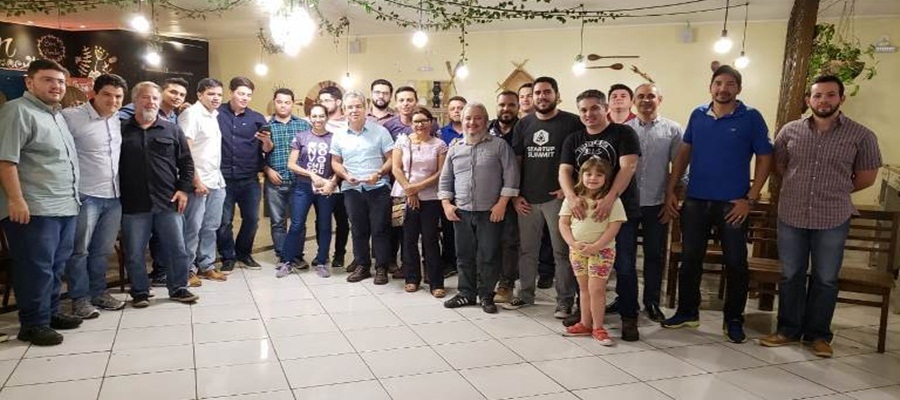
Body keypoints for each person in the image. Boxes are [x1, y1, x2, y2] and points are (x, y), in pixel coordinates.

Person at [760, 75, 881, 358]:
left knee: (825, 278)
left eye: (830, 95)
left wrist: (835, 189)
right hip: (792, 214)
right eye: (817, 95)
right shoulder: (790, 131)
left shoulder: (861, 135)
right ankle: (788, 329)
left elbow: (866, 177)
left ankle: (818, 335)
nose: (823, 100)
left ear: (841, 98)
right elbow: (780, 166)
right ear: (808, 100)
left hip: (833, 217)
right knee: (791, 275)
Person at [662, 65, 773, 344]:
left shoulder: (751, 117)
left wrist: (751, 198)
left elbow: (765, 158)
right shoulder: (698, 114)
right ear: (710, 87)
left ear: (739, 88)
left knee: (736, 262)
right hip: (696, 200)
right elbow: (684, 152)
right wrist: (672, 189)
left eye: (730, 84)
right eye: (718, 83)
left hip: (732, 205)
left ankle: (733, 319)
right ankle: (687, 312)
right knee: (690, 259)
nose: (723, 88)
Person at [0, 59, 83, 346]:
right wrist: (16, 200)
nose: (56, 86)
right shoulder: (17, 111)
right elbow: (6, 161)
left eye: (60, 81)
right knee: (35, 268)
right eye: (48, 80)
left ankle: (50, 313)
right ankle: (33, 324)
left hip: (64, 204)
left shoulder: (56, 115)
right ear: (29, 82)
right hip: (34, 208)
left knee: (56, 265)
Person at [559, 89, 642, 341]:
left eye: (594, 108)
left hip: (618, 208)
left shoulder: (623, 133)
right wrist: (572, 197)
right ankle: (586, 316)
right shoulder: (574, 138)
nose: (589, 114)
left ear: (605, 108)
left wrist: (610, 197)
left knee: (624, 266)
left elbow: (628, 166)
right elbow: (564, 171)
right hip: (584, 210)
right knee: (583, 264)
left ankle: (629, 315)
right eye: (583, 110)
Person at [504, 76, 582, 319]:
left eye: (547, 92)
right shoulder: (523, 124)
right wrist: (516, 195)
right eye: (537, 92)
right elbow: (516, 163)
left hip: (559, 200)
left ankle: (564, 301)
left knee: (562, 252)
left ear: (556, 95)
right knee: (527, 251)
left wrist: (570, 188)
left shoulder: (572, 122)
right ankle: (526, 294)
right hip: (527, 200)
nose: (541, 96)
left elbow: (582, 159)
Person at [119, 81, 198, 308]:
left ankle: (178, 287)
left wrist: (183, 189)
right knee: (134, 252)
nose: (151, 102)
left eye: (155, 98)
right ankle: (140, 292)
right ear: (135, 101)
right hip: (133, 203)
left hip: (167, 201)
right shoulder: (120, 130)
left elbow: (186, 163)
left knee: (177, 249)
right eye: (145, 97)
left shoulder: (172, 130)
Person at [439, 103, 519, 314]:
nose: (472, 122)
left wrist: (502, 203)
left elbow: (511, 175)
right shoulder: (455, 148)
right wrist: (446, 204)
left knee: (489, 255)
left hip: (491, 212)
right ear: (462, 121)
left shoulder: (499, 146)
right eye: (468, 118)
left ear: (485, 120)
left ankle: (486, 295)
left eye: (477, 118)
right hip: (461, 212)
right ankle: (466, 293)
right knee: (464, 255)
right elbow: (446, 179)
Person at [62, 73, 129, 319]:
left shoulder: (118, 119)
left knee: (102, 250)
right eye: (107, 95)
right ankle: (79, 299)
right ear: (94, 93)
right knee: (79, 251)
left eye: (118, 96)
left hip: (114, 195)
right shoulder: (71, 117)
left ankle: (99, 292)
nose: (113, 101)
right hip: (85, 195)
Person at [625, 83, 683, 323]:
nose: (646, 100)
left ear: (660, 99)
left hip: (657, 202)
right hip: (627, 203)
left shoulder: (673, 129)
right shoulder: (624, 130)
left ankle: (651, 302)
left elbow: (680, 167)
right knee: (625, 256)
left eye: (651, 96)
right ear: (633, 101)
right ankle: (625, 300)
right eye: (641, 96)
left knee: (654, 255)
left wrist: (672, 196)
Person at [559, 158, 626, 345]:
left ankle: (598, 327)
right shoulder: (573, 199)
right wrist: (572, 243)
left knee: (596, 289)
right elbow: (563, 223)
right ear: (581, 176)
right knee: (583, 289)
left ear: (606, 178)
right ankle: (585, 323)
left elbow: (614, 226)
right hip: (577, 251)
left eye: (599, 174)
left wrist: (597, 246)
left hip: (602, 252)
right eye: (588, 174)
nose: (593, 178)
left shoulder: (612, 201)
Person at [331, 90, 395, 284]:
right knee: (358, 229)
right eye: (350, 107)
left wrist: (379, 173)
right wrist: (345, 175)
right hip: (352, 189)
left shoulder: (380, 131)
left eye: (358, 106)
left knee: (380, 229)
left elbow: (392, 158)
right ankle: (362, 266)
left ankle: (381, 267)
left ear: (365, 108)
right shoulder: (339, 135)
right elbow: (335, 162)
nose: (354, 110)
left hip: (378, 187)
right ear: (344, 110)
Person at [216, 77, 273, 272]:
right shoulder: (216, 114)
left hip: (250, 179)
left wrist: (266, 141)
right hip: (223, 178)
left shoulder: (257, 118)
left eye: (248, 95)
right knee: (224, 221)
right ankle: (227, 256)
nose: (245, 98)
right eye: (241, 93)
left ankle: (244, 253)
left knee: (252, 219)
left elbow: (267, 148)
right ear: (231, 92)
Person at [277, 104, 339, 278]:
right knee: (296, 224)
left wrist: (332, 182)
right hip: (303, 187)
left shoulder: (334, 139)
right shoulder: (301, 136)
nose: (318, 120)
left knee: (325, 225)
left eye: (321, 116)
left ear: (327, 117)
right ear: (309, 118)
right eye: (314, 116)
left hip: (325, 187)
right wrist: (311, 174)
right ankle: (287, 261)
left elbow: (339, 164)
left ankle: (322, 262)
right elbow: (291, 164)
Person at [393, 107, 448, 297]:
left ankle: (436, 282)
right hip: (405, 195)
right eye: (416, 121)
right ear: (411, 124)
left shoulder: (439, 144)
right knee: (408, 239)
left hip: (430, 197)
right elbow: (396, 168)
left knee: (430, 240)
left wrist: (417, 188)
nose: (420, 124)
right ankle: (411, 278)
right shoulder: (402, 141)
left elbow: (440, 173)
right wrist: (409, 190)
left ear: (431, 122)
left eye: (424, 120)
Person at [178, 78, 228, 285]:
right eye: (211, 94)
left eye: (219, 94)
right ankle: (186, 269)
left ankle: (206, 265)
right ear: (199, 95)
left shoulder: (214, 115)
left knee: (211, 226)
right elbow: (185, 151)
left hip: (216, 180)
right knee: (193, 227)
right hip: (198, 182)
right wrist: (196, 180)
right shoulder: (191, 114)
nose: (216, 98)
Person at [264, 88, 312, 267]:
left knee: (298, 221)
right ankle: (283, 255)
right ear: (274, 102)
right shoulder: (266, 126)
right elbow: (255, 153)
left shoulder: (303, 125)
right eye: (279, 102)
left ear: (292, 103)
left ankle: (297, 255)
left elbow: (310, 153)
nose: (283, 105)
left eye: (287, 102)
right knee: (278, 222)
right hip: (274, 181)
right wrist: (267, 170)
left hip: (299, 182)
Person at [489, 90, 521, 303]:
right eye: (502, 105)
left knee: (510, 240)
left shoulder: (525, 128)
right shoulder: (487, 129)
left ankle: (506, 284)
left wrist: (514, 195)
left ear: (518, 107)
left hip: (515, 195)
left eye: (511, 105)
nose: (506, 109)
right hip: (489, 193)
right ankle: (487, 280)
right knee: (489, 241)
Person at [119, 77, 189, 123]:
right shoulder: (140, 107)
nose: (178, 97)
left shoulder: (175, 118)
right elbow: (117, 120)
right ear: (161, 93)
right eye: (173, 92)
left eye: (182, 95)